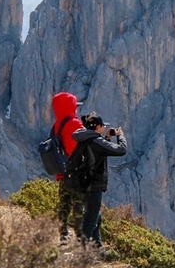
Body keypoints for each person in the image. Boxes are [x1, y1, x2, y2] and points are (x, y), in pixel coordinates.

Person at [72, 112, 127, 248]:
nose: (103, 128)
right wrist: (120, 136)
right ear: (97, 127)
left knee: (96, 216)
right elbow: (121, 150)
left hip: (83, 183)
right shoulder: (96, 141)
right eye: (102, 126)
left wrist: (107, 138)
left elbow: (97, 154)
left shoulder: (85, 138)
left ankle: (98, 248)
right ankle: (82, 253)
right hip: (93, 185)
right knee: (91, 220)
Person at [51, 92, 85, 243]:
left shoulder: (56, 125)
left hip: (62, 171)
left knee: (64, 204)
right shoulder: (74, 123)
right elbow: (84, 143)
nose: (76, 109)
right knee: (79, 204)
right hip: (75, 171)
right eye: (74, 106)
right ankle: (80, 236)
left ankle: (63, 234)